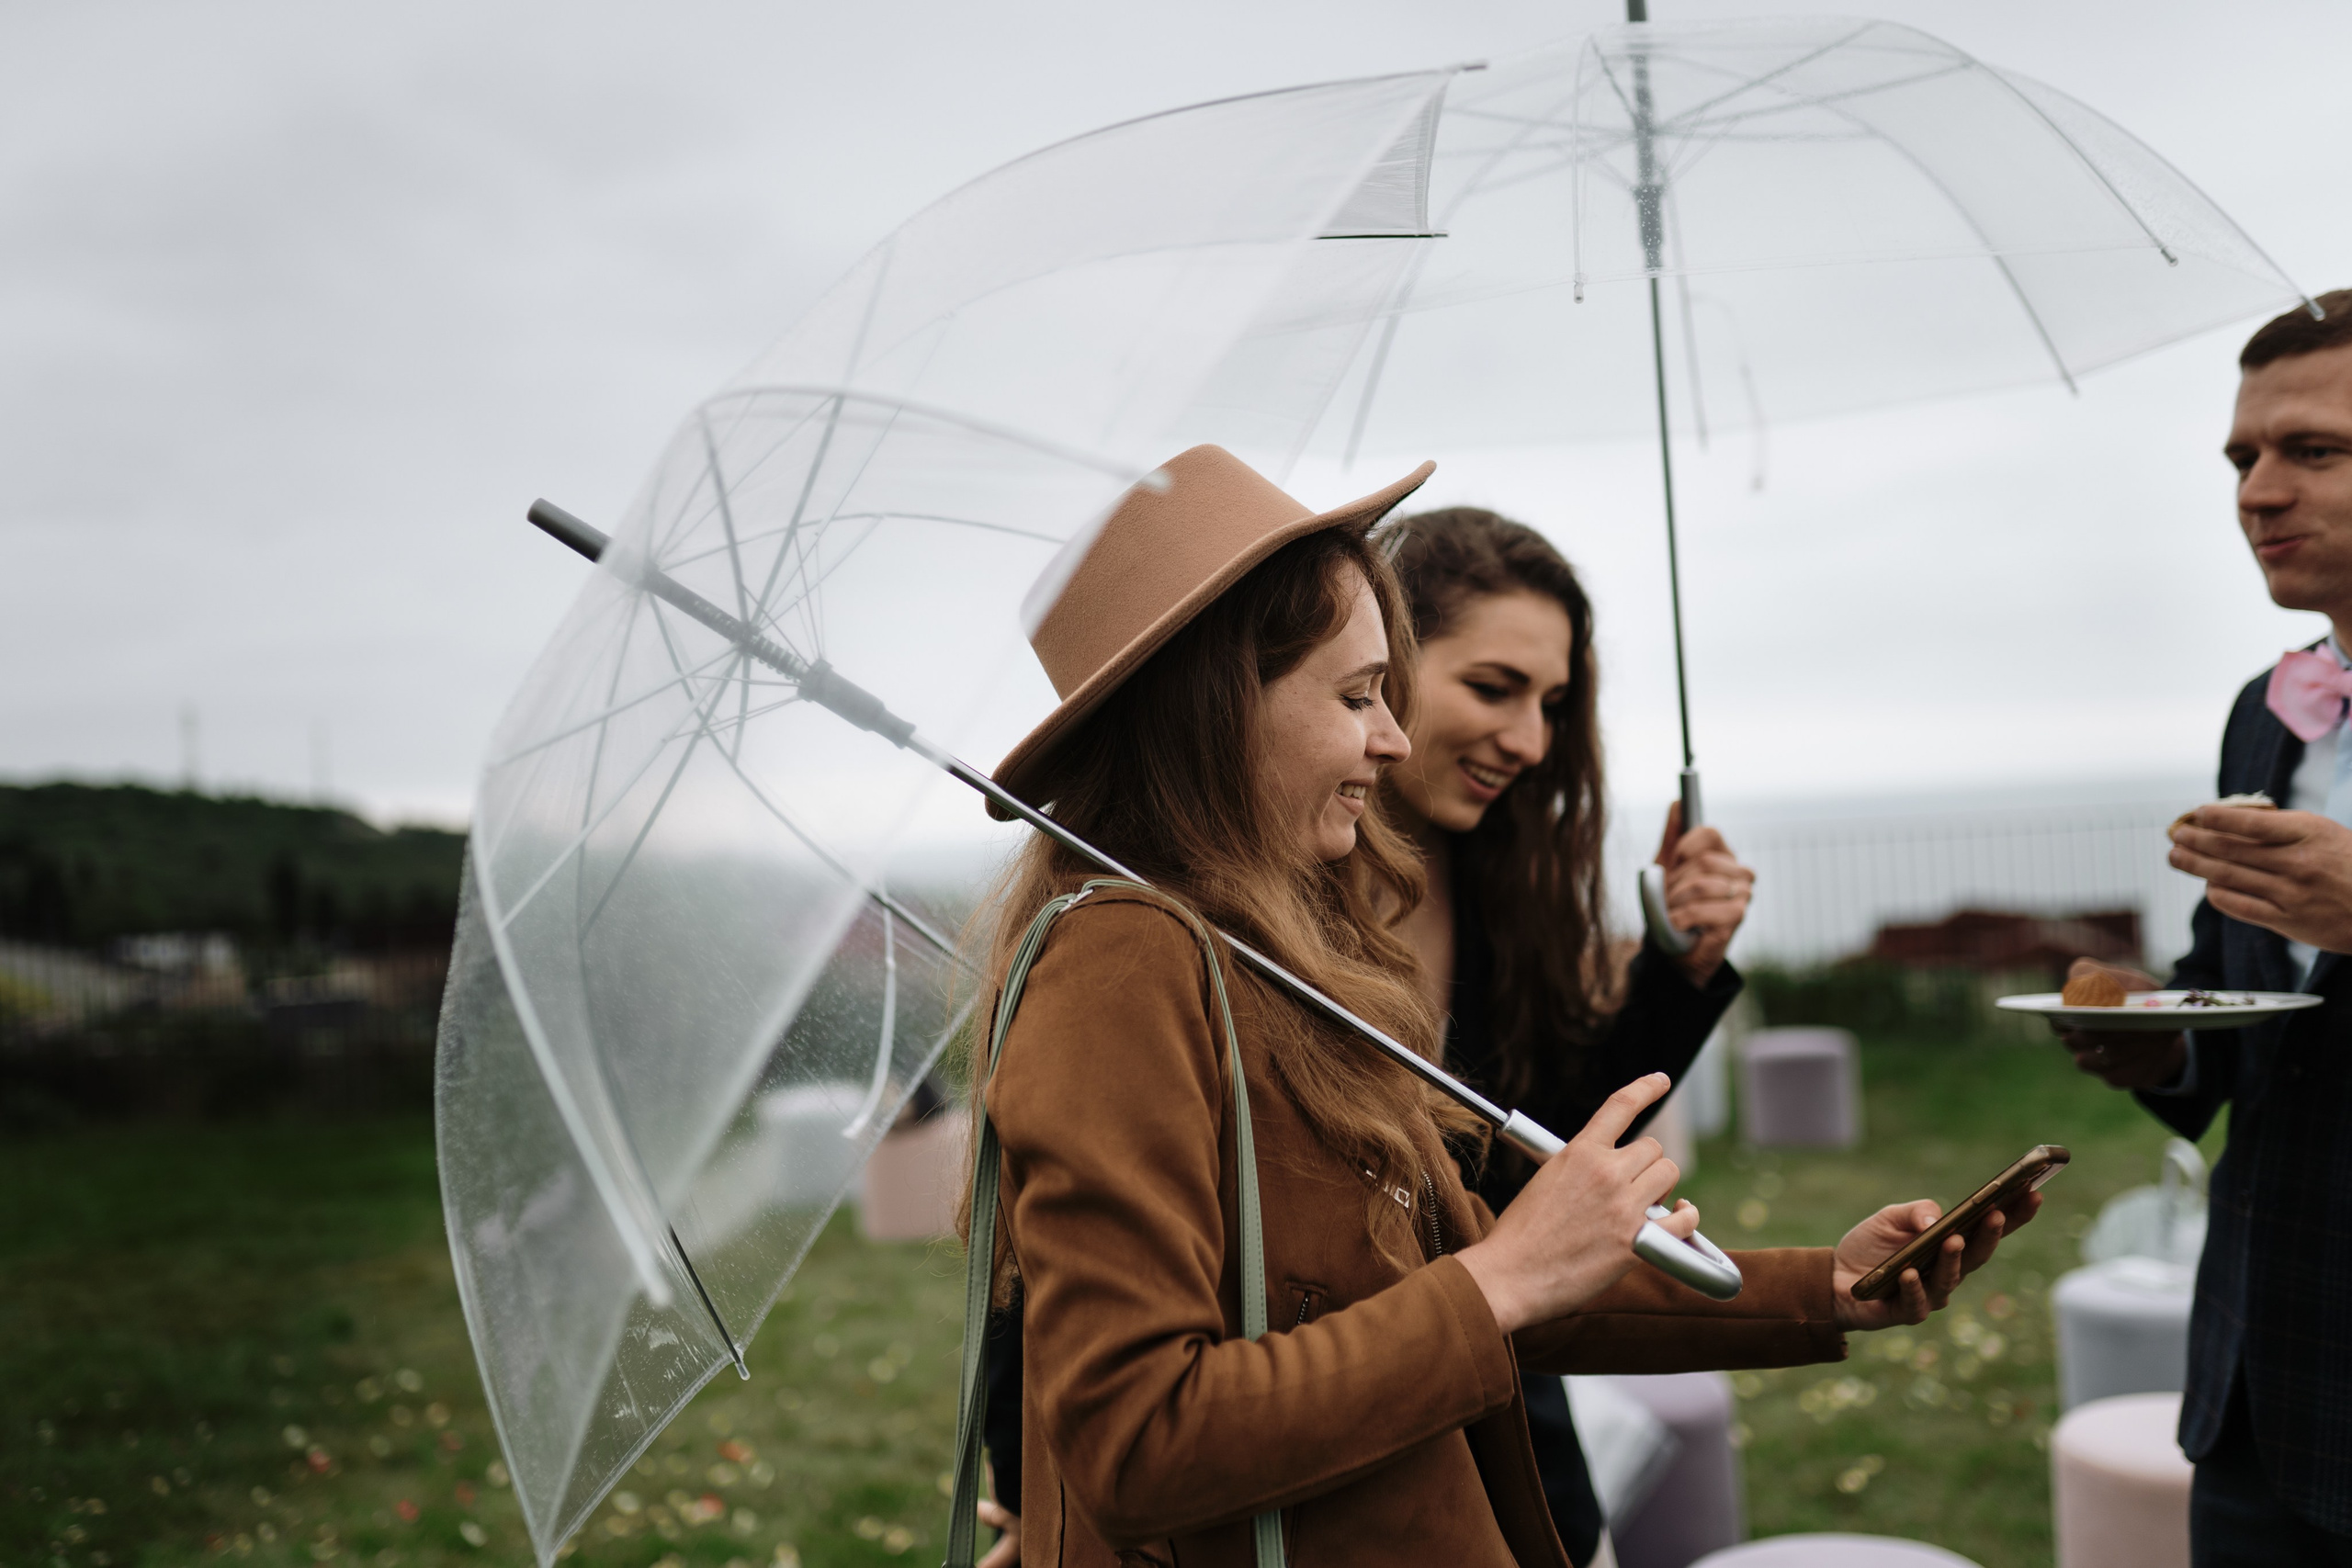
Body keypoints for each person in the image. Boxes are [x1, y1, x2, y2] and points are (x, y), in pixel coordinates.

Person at [965, 444, 2030, 1568]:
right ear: (1216, 707)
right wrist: (1502, 1275)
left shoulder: (1280, 953)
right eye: (1357, 696)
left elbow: (1484, 1261)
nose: (1389, 737)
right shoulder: (1124, 960)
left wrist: (1823, 1288)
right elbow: (1139, 1438)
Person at [1380, 506, 1758, 1566]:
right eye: (1492, 687)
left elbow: (1535, 1152)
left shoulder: (1501, 888)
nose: (1532, 741)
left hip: (1527, 1479)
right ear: (1376, 663)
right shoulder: (1252, 922)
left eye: (1550, 703)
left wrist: (1678, 970)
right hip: (1342, 1475)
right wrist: (1025, 1479)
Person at [2060, 289, 2352, 1568]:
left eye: (2314, 450)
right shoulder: (2266, 713)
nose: (2258, 491)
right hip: (2258, 1391)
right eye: (2243, 457)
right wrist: (2155, 1036)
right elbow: (2237, 1007)